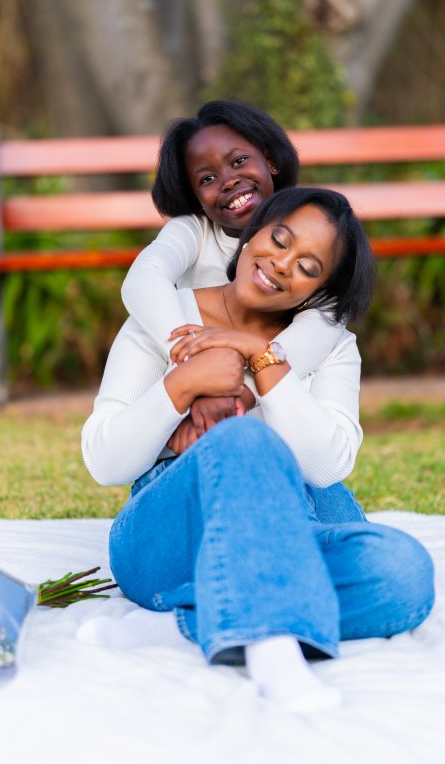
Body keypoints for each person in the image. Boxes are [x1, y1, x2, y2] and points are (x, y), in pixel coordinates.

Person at [80, 187, 435, 714]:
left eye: (308, 266)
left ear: (318, 292)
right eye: (279, 238)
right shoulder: (162, 316)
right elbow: (105, 461)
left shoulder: (331, 347)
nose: (281, 264)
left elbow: (326, 465)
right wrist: (181, 386)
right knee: (243, 439)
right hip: (168, 541)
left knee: (404, 572)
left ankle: (184, 628)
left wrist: (262, 358)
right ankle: (275, 655)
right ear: (253, 230)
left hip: (298, 519)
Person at [122, 99, 364, 522]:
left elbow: (322, 326)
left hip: (265, 423)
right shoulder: (193, 231)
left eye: (238, 161)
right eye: (208, 177)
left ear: (269, 160)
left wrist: (238, 389)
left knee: (348, 534)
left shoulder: (310, 225)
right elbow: (143, 280)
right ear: (195, 194)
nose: (230, 181)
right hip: (191, 427)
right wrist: (201, 363)